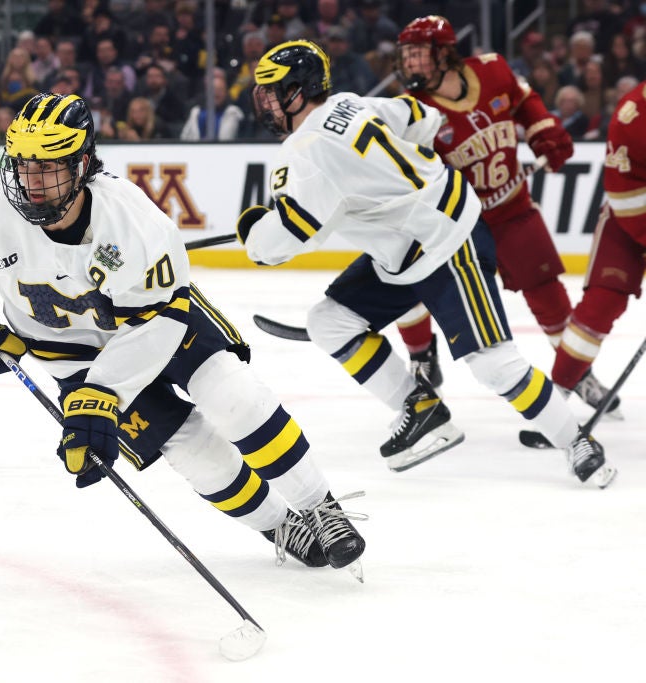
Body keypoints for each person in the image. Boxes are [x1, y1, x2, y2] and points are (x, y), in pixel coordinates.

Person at [0, 91, 367, 575]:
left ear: (82, 164)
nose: (32, 182)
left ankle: (323, 508)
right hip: (70, 357)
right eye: (23, 165)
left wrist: (103, 393)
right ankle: (280, 527)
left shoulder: (133, 219)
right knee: (193, 452)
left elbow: (156, 320)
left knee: (233, 396)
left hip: (161, 323)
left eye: (49, 167)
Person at [235, 40, 616, 487]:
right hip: (406, 247)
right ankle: (421, 407)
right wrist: (381, 179)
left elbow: (281, 242)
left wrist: (254, 232)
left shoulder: (305, 152)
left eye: (271, 91)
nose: (264, 102)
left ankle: (577, 442)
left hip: (447, 240)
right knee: (330, 321)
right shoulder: (350, 103)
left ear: (297, 92)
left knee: (493, 362)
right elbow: (423, 118)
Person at [394, 16, 620, 414]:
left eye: (418, 55)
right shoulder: (412, 111)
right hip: (458, 225)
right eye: (407, 56)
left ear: (445, 54)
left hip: (512, 207)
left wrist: (543, 129)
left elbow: (524, 99)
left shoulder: (493, 70)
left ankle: (576, 375)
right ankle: (422, 360)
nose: (409, 64)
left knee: (549, 294)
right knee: (407, 279)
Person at [551, 81, 646, 404]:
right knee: (600, 306)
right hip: (629, 217)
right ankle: (560, 392)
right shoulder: (631, 118)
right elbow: (626, 197)